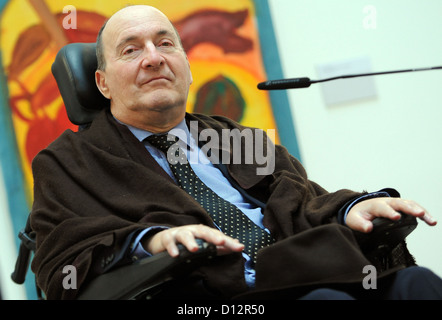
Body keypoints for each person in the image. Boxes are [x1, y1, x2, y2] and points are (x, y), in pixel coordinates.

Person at [30, 5, 442, 300]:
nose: (154, 58)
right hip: (209, 296)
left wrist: (348, 209)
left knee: (417, 284)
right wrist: (152, 240)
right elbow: (61, 258)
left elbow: (302, 201)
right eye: (131, 50)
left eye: (165, 43)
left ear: (187, 66)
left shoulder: (233, 137)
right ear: (101, 84)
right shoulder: (68, 163)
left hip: (299, 269)